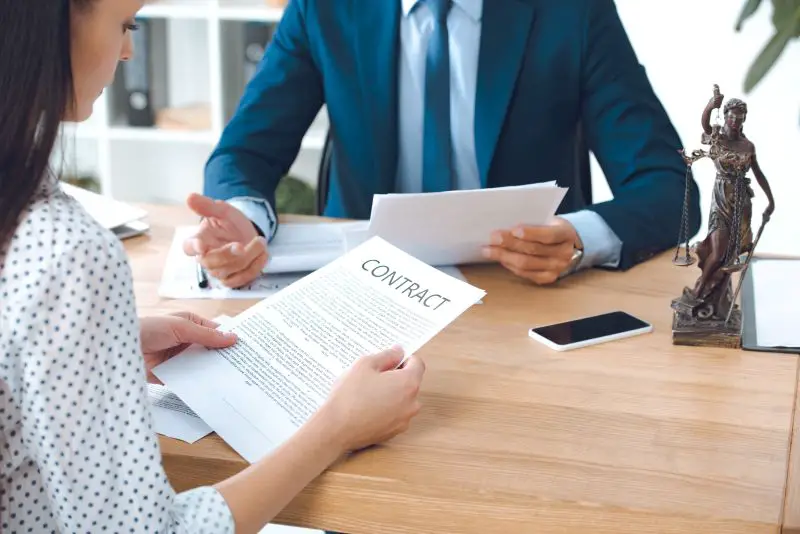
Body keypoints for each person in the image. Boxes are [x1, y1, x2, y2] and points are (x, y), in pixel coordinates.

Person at [0, 1, 425, 533]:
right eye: (126, 24)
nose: (131, 50)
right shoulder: (67, 251)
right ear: (49, 25)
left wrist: (104, 341)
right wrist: (335, 429)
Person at [187, 0, 701, 289]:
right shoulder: (324, 7)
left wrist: (581, 238)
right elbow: (244, 151)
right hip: (365, 287)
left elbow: (668, 187)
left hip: (525, 293)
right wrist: (243, 217)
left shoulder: (572, 10)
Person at [676, 89, 775, 319]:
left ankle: (720, 297)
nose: (734, 121)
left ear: (743, 120)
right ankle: (700, 291)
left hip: (742, 203)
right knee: (719, 252)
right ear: (726, 116)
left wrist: (771, 200)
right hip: (721, 198)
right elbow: (705, 124)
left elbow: (758, 174)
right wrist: (712, 105)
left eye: (739, 117)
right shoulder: (718, 137)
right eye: (731, 116)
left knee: (734, 254)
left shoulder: (748, 146)